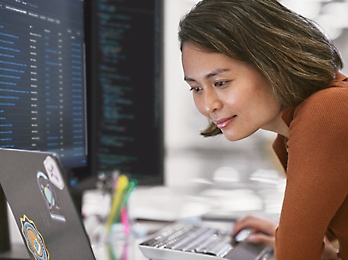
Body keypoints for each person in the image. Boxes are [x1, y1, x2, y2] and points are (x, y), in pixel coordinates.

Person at [178, 0, 348, 259]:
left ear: (271, 63)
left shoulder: (328, 111)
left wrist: (292, 242)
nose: (208, 105)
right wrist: (288, 238)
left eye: (221, 82)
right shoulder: (286, 138)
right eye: (197, 88)